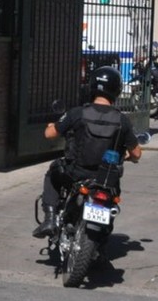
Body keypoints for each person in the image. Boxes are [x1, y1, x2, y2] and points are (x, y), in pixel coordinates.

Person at [32, 66, 143, 239]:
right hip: (106, 179)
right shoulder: (123, 121)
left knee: (53, 172)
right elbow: (136, 153)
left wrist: (52, 126)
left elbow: (50, 134)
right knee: (112, 198)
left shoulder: (77, 113)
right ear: (117, 89)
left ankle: (50, 219)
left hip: (75, 173)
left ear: (92, 86)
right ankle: (101, 237)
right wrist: (130, 157)